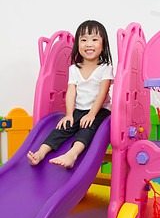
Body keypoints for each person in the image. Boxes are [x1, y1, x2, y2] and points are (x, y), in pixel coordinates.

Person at [27, 20, 114, 168]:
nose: (88, 44)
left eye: (94, 39)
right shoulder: (74, 68)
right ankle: (40, 153)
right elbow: (71, 92)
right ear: (77, 44)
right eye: (83, 40)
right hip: (79, 110)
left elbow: (102, 92)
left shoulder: (105, 67)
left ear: (103, 44)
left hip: (100, 111)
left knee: (87, 128)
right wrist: (69, 114)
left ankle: (72, 155)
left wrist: (92, 114)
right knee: (63, 128)